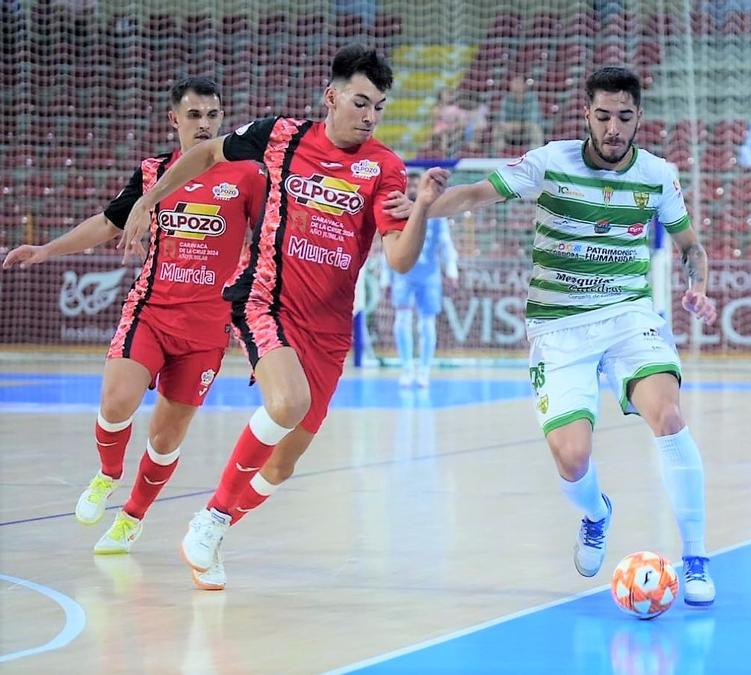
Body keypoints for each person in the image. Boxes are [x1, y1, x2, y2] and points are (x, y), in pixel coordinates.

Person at [120, 44, 449, 590]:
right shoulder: (280, 136)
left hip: (330, 328)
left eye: (380, 107)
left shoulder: (384, 167)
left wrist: (422, 211)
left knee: (281, 466)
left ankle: (215, 527)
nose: (369, 116)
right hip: (267, 300)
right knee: (287, 402)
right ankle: (211, 519)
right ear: (332, 97)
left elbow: (398, 258)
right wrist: (147, 199)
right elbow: (204, 156)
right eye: (361, 102)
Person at [390, 66, 718, 606]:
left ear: (639, 119)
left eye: (625, 117)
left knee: (670, 416)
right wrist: (423, 205)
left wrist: (698, 287)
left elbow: (691, 247)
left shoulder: (658, 174)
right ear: (586, 115)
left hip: (629, 316)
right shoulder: (548, 162)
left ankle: (698, 557)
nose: (614, 128)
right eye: (604, 116)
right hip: (559, 328)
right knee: (571, 458)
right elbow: (473, 194)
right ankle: (596, 513)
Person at [3, 77, 265, 564]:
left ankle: (131, 519)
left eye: (212, 115)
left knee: (166, 441)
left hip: (207, 331)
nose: (204, 124)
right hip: (151, 312)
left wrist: (259, 333)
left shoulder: (248, 176)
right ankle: (107, 473)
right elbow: (108, 223)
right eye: (194, 116)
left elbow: (269, 243)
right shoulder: (154, 174)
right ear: (175, 120)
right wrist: (45, 250)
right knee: (116, 399)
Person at [382, 186, 459, 387]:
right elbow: (388, 245)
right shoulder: (398, 213)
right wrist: (385, 279)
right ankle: (406, 368)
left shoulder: (437, 215)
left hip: (429, 275)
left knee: (427, 323)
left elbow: (445, 243)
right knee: (402, 320)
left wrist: (451, 270)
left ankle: (424, 370)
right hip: (403, 275)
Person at [493, 74, 544, 154]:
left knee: (536, 129)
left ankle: (536, 156)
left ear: (524, 85)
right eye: (513, 82)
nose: (515, 85)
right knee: (497, 129)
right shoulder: (506, 99)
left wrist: (517, 125)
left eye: (518, 82)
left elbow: (532, 120)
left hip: (526, 131)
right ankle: (498, 157)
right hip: (511, 130)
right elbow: (502, 120)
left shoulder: (532, 98)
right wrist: (508, 125)